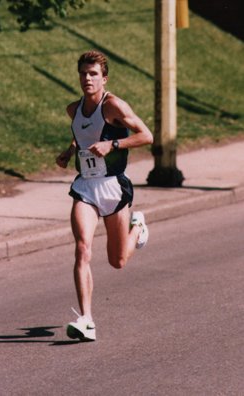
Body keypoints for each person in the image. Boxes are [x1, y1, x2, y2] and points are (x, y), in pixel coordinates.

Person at [56, 50, 153, 342]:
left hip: (113, 187)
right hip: (85, 187)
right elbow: (83, 133)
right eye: (84, 73)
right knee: (82, 248)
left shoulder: (114, 105)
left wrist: (113, 144)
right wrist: (71, 149)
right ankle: (86, 319)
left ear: (104, 78)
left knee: (118, 261)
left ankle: (139, 229)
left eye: (93, 74)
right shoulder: (73, 109)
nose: (87, 78)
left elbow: (146, 135)